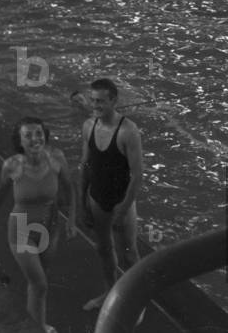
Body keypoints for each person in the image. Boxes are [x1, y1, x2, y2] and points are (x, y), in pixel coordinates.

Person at [0, 117, 77, 333]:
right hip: (22, 228)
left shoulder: (56, 158)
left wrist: (71, 219)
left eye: (39, 133)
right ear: (20, 142)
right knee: (39, 283)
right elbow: (2, 190)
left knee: (39, 282)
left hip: (50, 227)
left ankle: (39, 325)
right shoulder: (12, 165)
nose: (35, 139)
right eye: (28, 135)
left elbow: (70, 188)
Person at [76, 78, 144, 313]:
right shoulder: (88, 126)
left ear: (114, 101)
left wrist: (123, 208)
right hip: (96, 199)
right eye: (93, 101)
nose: (95, 105)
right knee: (103, 249)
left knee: (129, 254)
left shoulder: (128, 131)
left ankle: (137, 299)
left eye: (101, 101)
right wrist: (82, 203)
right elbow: (85, 165)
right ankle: (110, 292)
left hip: (121, 203)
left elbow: (137, 176)